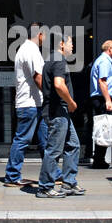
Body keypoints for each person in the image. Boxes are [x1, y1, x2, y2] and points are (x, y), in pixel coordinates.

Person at [38, 34, 84, 197]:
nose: (73, 47)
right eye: (71, 43)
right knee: (54, 149)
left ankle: (69, 183)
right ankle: (45, 187)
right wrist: (71, 102)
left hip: (59, 111)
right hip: (57, 111)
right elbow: (58, 84)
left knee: (73, 145)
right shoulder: (58, 60)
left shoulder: (52, 59)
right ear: (62, 44)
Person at [4, 23, 48, 187]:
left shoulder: (24, 49)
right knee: (22, 139)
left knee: (45, 139)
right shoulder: (31, 50)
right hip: (30, 104)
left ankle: (53, 173)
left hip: (34, 103)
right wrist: (49, 94)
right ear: (40, 34)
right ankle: (12, 176)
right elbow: (38, 77)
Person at [88, 39, 112, 169]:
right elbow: (102, 81)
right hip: (102, 98)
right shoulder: (105, 62)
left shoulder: (101, 60)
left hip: (99, 98)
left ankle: (99, 159)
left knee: (103, 128)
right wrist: (107, 100)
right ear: (110, 49)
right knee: (105, 128)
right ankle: (99, 160)